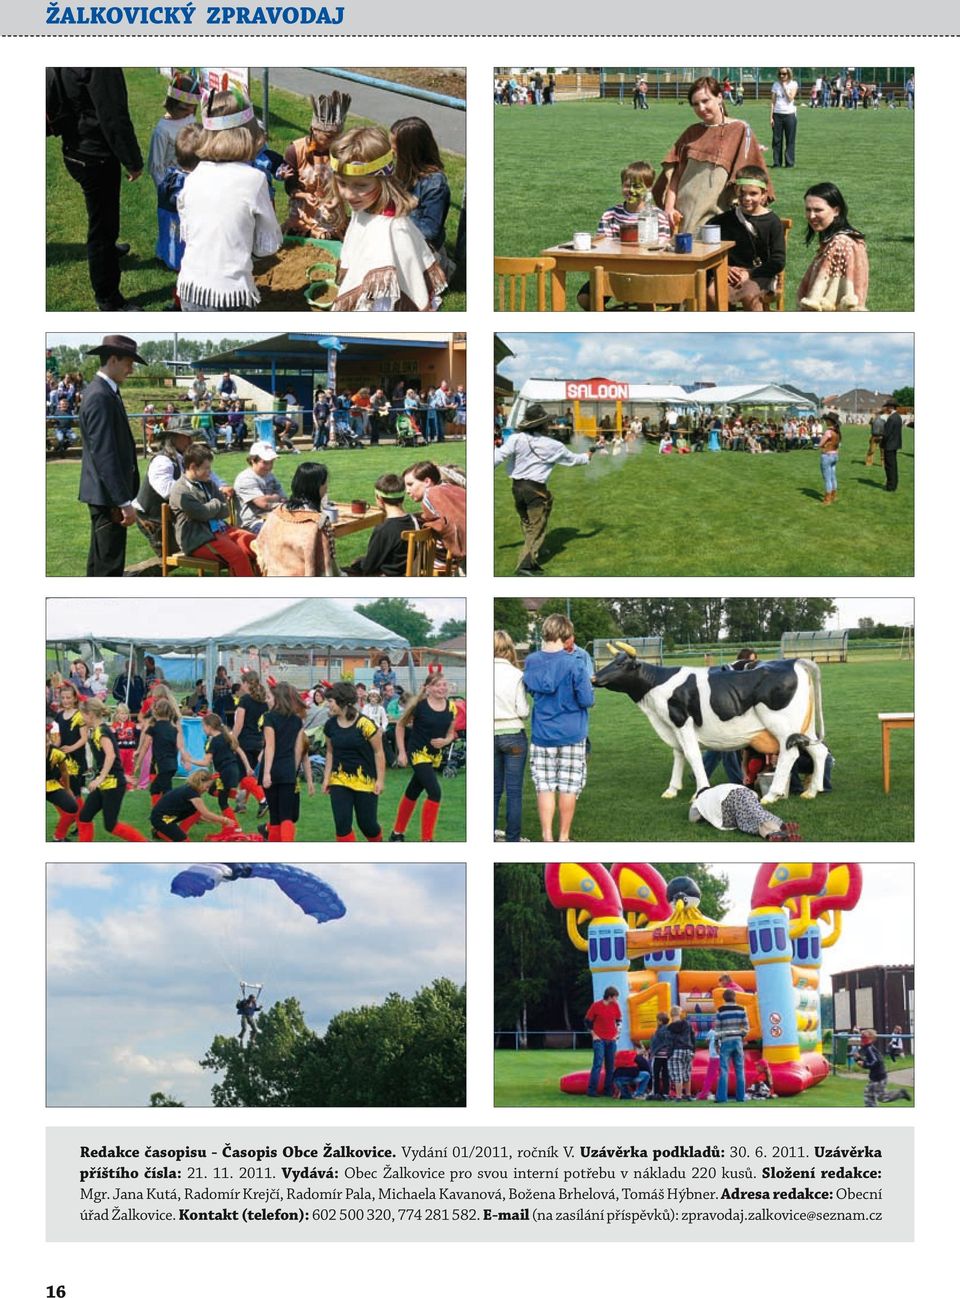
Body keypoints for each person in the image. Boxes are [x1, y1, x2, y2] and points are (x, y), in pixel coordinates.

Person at [176, 88, 283, 310]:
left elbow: (187, 233)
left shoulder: (193, 176)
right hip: (229, 295)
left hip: (189, 288)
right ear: (250, 134)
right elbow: (268, 246)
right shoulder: (254, 179)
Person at [47, 68, 143, 310]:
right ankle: (109, 299)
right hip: (93, 154)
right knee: (104, 227)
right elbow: (113, 116)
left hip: (76, 148)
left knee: (103, 223)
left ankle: (107, 253)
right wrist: (132, 161)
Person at [330, 126, 447, 311]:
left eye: (361, 185)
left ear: (384, 180)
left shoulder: (393, 228)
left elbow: (390, 297)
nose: (349, 194)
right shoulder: (364, 207)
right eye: (342, 183)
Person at [653, 75, 773, 235]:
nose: (701, 108)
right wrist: (669, 208)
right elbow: (674, 176)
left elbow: (752, 180)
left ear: (719, 98)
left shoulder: (740, 130)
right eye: (695, 104)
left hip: (717, 219)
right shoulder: (691, 132)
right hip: (681, 216)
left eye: (705, 101)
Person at [494, 403, 592, 574]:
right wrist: (589, 453)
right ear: (542, 425)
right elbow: (575, 460)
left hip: (517, 488)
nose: (548, 425)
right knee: (537, 526)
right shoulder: (553, 445)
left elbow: (498, 456)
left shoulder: (516, 438)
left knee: (528, 522)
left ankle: (534, 551)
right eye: (546, 423)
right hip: (535, 490)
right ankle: (525, 563)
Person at [522, 613, 594, 843]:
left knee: (544, 787)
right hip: (572, 734)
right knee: (568, 787)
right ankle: (563, 838)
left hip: (542, 734)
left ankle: (547, 837)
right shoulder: (576, 663)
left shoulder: (531, 661)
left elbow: (532, 690)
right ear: (566, 635)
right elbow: (586, 700)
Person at [78, 335, 144, 576]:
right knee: (109, 565)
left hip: (105, 494)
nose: (132, 370)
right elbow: (105, 455)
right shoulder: (100, 396)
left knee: (101, 560)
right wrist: (123, 502)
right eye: (129, 363)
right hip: (107, 496)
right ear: (113, 360)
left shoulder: (105, 392)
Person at [389, 669, 457, 843]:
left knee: (413, 791)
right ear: (428, 688)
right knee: (435, 792)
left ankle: (397, 833)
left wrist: (445, 741)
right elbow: (400, 726)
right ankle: (427, 840)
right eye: (438, 685)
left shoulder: (451, 707)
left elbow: (451, 734)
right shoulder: (418, 706)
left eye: (444, 685)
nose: (443, 688)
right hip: (417, 753)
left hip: (434, 756)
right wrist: (402, 753)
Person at [169, 445, 258, 576]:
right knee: (237, 555)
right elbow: (201, 514)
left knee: (255, 544)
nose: (210, 472)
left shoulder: (208, 483)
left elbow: (225, 511)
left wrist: (210, 507)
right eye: (206, 468)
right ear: (193, 467)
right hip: (198, 538)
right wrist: (216, 503)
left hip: (221, 530)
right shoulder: (180, 490)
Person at [705, 166, 785, 310]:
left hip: (760, 274)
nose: (747, 198)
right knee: (712, 293)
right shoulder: (721, 221)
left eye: (753, 193)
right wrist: (726, 269)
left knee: (750, 294)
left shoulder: (773, 222)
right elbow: (709, 251)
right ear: (736, 191)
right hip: (727, 273)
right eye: (742, 193)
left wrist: (749, 273)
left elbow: (778, 261)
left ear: (764, 194)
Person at [147, 72, 202, 264]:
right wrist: (165, 191)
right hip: (172, 186)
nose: (189, 113)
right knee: (173, 223)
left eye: (192, 109)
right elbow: (155, 166)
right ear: (172, 104)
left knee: (192, 221)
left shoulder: (188, 119)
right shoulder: (162, 130)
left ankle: (191, 253)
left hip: (192, 179)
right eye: (185, 109)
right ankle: (169, 255)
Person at [279, 91, 350, 239]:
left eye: (337, 137)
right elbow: (290, 186)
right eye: (329, 137)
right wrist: (304, 195)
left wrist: (337, 197)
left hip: (332, 212)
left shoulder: (341, 151)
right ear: (314, 130)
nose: (333, 141)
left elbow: (348, 183)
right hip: (302, 212)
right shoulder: (295, 150)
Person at [321, 681, 386, 843]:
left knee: (367, 825)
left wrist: (380, 780)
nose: (327, 704)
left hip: (365, 781)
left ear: (342, 702)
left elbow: (379, 752)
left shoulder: (365, 724)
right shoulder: (330, 726)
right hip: (339, 780)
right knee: (342, 825)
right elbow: (329, 752)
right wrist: (326, 777)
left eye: (330, 701)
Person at [75, 699, 147, 843]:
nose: (81, 718)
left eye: (82, 714)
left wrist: (100, 778)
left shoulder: (102, 731)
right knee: (84, 817)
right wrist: (120, 774)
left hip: (112, 785)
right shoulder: (95, 730)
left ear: (90, 714)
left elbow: (111, 755)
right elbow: (111, 757)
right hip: (107, 782)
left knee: (110, 825)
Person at [254, 461, 340, 577]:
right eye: (325, 483)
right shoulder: (318, 522)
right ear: (317, 487)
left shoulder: (276, 513)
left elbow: (260, 544)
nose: (327, 486)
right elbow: (326, 568)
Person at [391, 116, 452, 274]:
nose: (391, 150)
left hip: (423, 247)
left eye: (395, 147)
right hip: (402, 236)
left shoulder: (435, 184)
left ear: (409, 151)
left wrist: (399, 218)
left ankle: (443, 268)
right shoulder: (403, 171)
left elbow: (430, 230)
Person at [798, 183, 869, 311]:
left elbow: (832, 300)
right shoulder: (840, 240)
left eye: (818, 210)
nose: (811, 216)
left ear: (836, 211)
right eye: (808, 210)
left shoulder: (840, 245)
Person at [262, 681, 312, 843]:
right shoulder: (297, 721)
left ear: (277, 699)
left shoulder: (269, 718)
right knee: (286, 816)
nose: (267, 700)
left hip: (273, 768)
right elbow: (298, 750)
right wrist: (293, 770)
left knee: (275, 816)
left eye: (269, 697)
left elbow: (270, 747)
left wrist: (267, 773)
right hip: (288, 770)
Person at [494, 629, 530, 844]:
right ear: (509, 650)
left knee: (493, 791)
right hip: (513, 735)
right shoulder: (518, 675)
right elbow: (523, 710)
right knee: (514, 791)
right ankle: (513, 840)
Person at [403, 462, 467, 570]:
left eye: (410, 484)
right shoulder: (449, 488)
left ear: (427, 481)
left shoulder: (430, 494)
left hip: (446, 563)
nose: (407, 491)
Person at [689, 782, 802, 840]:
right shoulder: (719, 787)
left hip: (727, 805)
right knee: (758, 812)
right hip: (744, 792)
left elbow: (693, 818)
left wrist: (704, 816)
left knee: (749, 820)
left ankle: (773, 834)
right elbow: (756, 796)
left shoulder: (700, 799)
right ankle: (779, 826)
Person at [150, 769, 231, 841]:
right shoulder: (191, 793)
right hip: (162, 820)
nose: (206, 790)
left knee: (197, 811)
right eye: (206, 787)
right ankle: (160, 831)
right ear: (200, 782)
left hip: (166, 818)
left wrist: (214, 820)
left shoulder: (189, 789)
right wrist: (225, 820)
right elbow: (206, 813)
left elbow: (200, 816)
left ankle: (160, 832)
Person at [232, 672, 270, 816]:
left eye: (242, 683)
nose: (241, 686)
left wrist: (232, 739)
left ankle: (263, 799)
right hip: (258, 741)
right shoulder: (264, 702)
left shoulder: (245, 700)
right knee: (250, 775)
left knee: (243, 775)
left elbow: (239, 723)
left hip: (244, 741)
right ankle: (241, 804)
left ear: (247, 683)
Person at [234, 442, 287, 534]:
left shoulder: (270, 476)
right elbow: (264, 504)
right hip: (251, 524)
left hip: (273, 517)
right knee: (280, 534)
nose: (269, 466)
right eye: (265, 462)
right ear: (252, 460)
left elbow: (285, 499)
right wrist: (277, 497)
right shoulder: (245, 478)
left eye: (271, 462)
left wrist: (272, 498)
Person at [585, 987, 621, 1098]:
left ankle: (608, 1090)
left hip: (611, 1040)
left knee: (610, 1066)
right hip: (599, 1039)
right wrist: (594, 1035)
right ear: (610, 996)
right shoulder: (596, 1006)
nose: (617, 999)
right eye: (615, 997)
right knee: (598, 1064)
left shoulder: (615, 1006)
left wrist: (616, 1035)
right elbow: (587, 1021)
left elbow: (619, 1021)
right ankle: (591, 1090)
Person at [858, 1029, 911, 1106]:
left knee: (881, 1097)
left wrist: (864, 1064)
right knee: (868, 1095)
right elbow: (869, 1060)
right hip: (875, 1076)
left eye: (864, 1038)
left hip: (879, 1077)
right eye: (862, 1038)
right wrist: (858, 1059)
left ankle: (901, 1093)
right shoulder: (867, 1048)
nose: (862, 1040)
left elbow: (875, 1062)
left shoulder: (870, 1049)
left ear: (871, 1039)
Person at [714, 988, 749, 1104]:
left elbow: (717, 1029)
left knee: (724, 1069)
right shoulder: (742, 1010)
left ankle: (722, 1098)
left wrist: (716, 1043)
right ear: (735, 997)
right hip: (738, 1041)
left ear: (724, 998)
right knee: (740, 1069)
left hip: (725, 1041)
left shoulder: (720, 1011)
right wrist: (741, 1035)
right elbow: (746, 1027)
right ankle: (741, 1097)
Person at [46, 727, 80, 842]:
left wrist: (67, 789)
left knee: (72, 807)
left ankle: (58, 837)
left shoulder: (56, 752)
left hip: (50, 785)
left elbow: (64, 772)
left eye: (46, 734)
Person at [770, 67, 799, 167]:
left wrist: (785, 86)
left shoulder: (794, 84)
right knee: (777, 140)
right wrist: (771, 117)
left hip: (790, 115)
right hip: (777, 114)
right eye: (780, 74)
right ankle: (777, 163)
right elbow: (773, 102)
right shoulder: (775, 85)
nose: (782, 76)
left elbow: (790, 98)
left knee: (790, 140)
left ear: (788, 74)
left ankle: (789, 163)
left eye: (784, 74)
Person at [666, 1007, 696, 1101]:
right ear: (680, 1013)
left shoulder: (669, 1027)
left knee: (677, 1074)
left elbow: (668, 1042)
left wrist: (669, 1053)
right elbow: (692, 1037)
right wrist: (693, 1050)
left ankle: (679, 1096)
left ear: (671, 1015)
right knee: (687, 1073)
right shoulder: (687, 1024)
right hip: (687, 1050)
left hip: (676, 1051)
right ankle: (688, 1094)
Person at [818, 411, 842, 506]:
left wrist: (821, 443)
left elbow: (821, 444)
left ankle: (827, 498)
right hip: (835, 455)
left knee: (827, 478)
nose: (826, 421)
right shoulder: (837, 432)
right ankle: (834, 495)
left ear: (830, 421)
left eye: (827, 420)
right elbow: (839, 444)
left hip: (827, 456)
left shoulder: (828, 432)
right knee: (833, 476)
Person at [648, 1011, 672, 1099]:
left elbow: (654, 1043)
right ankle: (666, 1093)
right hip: (666, 1056)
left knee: (656, 1074)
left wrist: (652, 1051)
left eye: (657, 1020)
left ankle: (656, 1092)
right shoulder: (670, 1030)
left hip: (658, 1056)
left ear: (660, 1021)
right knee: (666, 1075)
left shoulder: (658, 1032)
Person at [880, 399, 903, 492]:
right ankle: (894, 484)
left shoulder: (891, 418)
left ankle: (890, 485)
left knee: (889, 466)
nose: (886, 409)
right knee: (893, 465)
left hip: (889, 445)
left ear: (891, 407)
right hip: (895, 444)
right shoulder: (898, 417)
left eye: (887, 407)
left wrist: (881, 439)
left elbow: (887, 433)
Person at [695, 1023, 721, 1100]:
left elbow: (707, 1041)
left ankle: (704, 1094)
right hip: (722, 1057)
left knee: (709, 1077)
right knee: (722, 1076)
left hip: (714, 1057)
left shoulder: (711, 1032)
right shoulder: (722, 1032)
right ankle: (720, 1093)